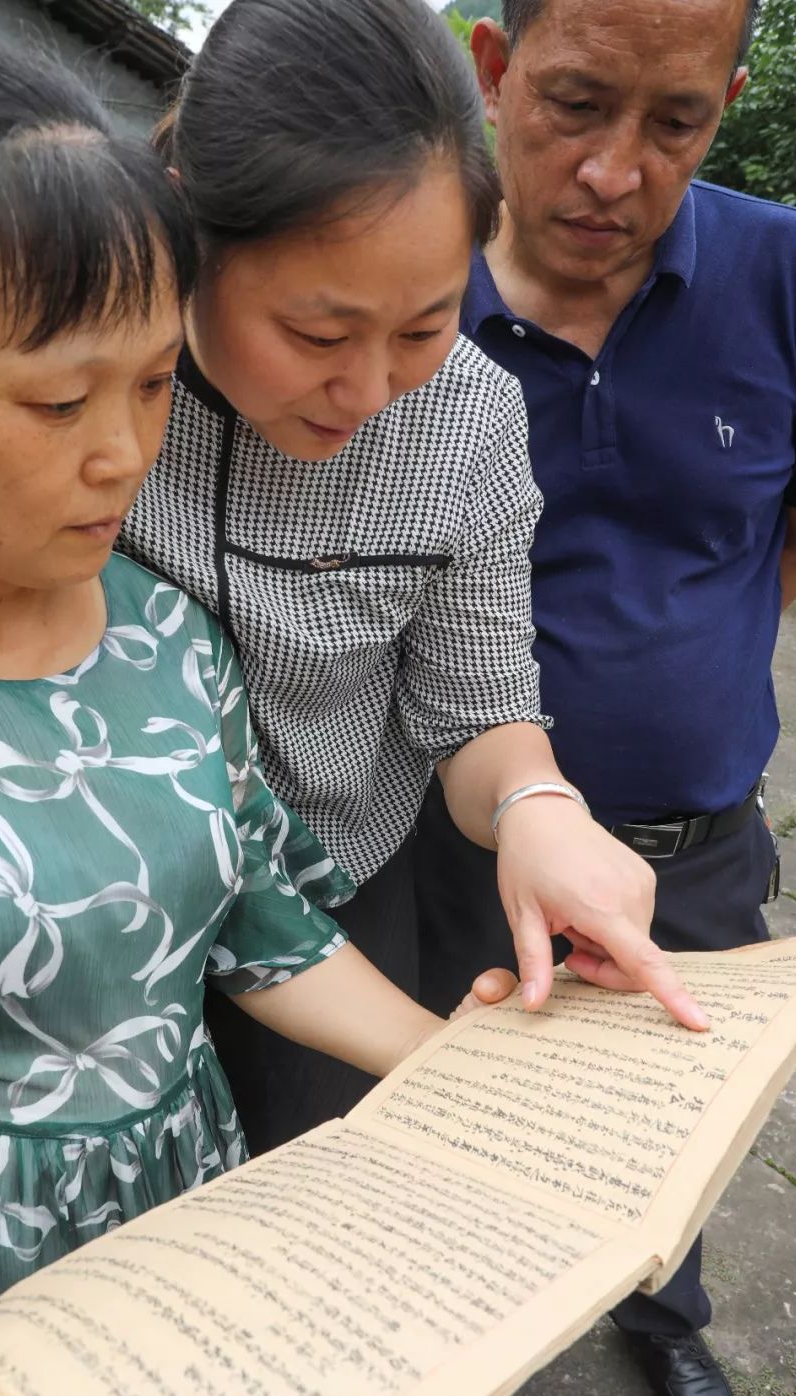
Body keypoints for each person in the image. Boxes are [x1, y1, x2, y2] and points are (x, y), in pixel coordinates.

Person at [0, 31, 517, 1396]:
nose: (125, 454)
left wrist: (466, 1077)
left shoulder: (155, 635)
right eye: (58, 398)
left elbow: (259, 918)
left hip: (185, 1285)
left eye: (150, 384)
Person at [414, 0, 796, 1396]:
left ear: (729, 103)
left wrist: (685, 674)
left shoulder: (794, 274)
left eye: (674, 122)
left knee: (671, 1125)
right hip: (453, 844)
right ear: (491, 71)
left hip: (697, 840)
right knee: (448, 1107)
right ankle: (445, 1321)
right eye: (572, 104)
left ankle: (663, 1317)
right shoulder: (406, 283)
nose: (615, 171)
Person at [128, 0, 707, 1162]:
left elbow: (480, 702)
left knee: (333, 1185)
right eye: (318, 331)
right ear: (192, 227)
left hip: (337, 886)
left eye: (425, 324)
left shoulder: (472, 418)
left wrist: (541, 813)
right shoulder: (90, 388)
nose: (371, 388)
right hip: (104, 897)